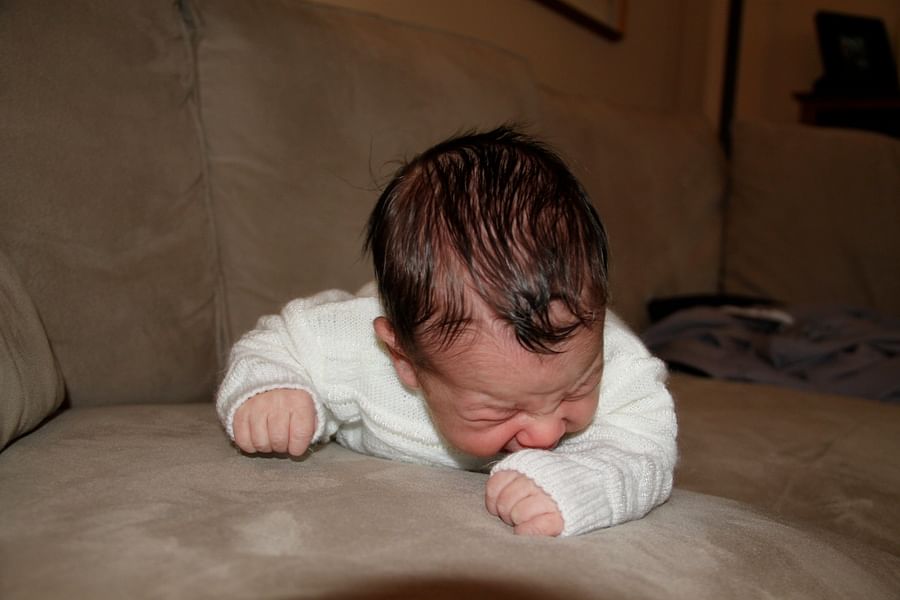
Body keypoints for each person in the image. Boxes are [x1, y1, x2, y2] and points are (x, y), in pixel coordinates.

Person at [216, 126, 677, 537]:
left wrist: (584, 483)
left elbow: (645, 452)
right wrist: (274, 389)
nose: (544, 431)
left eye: (577, 388)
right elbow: (278, 343)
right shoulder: (354, 341)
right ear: (404, 360)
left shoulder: (616, 359)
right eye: (500, 410)